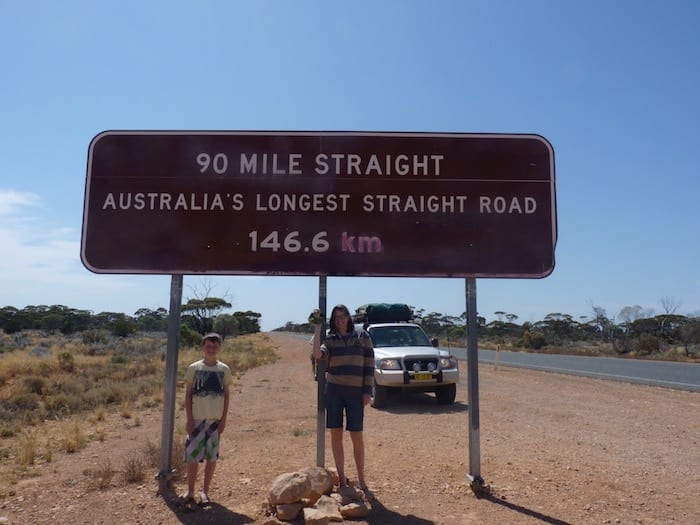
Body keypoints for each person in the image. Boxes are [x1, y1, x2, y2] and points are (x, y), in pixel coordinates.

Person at [310, 305, 374, 491]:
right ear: (333, 320)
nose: (340, 320)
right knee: (336, 435)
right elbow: (317, 355)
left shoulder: (362, 337)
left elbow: (369, 363)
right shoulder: (330, 339)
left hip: (356, 393)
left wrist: (367, 391)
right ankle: (343, 479)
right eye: (336, 317)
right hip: (335, 392)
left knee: (356, 435)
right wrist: (316, 327)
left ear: (348, 317)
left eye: (343, 316)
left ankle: (362, 480)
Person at [182, 332, 232, 505]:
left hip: (214, 421)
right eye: (208, 346)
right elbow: (188, 395)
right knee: (192, 457)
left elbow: (226, 395)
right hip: (196, 420)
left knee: (212, 457)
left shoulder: (224, 369)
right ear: (203, 347)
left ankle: (205, 492)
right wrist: (189, 419)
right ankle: (190, 492)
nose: (211, 349)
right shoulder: (194, 368)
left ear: (219, 348)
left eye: (215, 346)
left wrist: (223, 419)